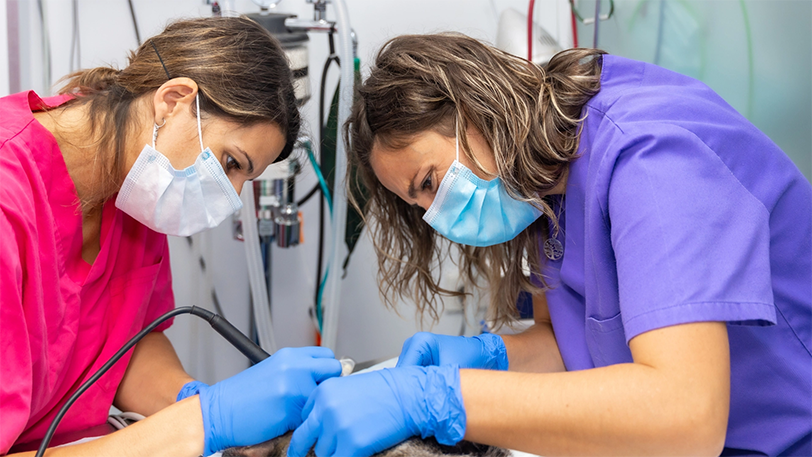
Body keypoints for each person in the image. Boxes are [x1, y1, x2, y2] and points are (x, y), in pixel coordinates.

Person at [286, 34, 812, 457]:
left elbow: (685, 418)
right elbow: (576, 348)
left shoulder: (652, 159)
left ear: (478, 110)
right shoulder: (543, 190)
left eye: (429, 182)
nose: (436, 217)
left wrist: (433, 399)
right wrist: (485, 360)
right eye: (418, 206)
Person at [0, 17, 342, 457]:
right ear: (173, 100)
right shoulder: (10, 196)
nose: (231, 195)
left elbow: (125, 344)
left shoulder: (134, 185)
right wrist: (202, 422)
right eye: (232, 162)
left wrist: (195, 399)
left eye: (245, 178)